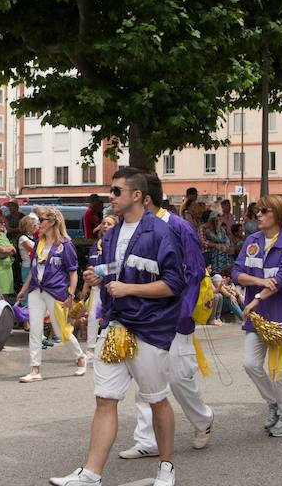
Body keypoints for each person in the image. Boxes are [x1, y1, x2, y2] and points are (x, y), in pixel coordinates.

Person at [51, 167, 184, 486]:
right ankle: (92, 473)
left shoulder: (161, 233)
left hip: (149, 329)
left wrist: (129, 289)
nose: (109, 197)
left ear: (136, 195)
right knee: (105, 399)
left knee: (156, 399)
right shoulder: (110, 235)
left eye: (116, 191)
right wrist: (100, 278)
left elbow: (174, 283)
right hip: (116, 327)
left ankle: (166, 466)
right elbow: (115, 272)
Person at [120, 173, 213, 461]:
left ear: (144, 198)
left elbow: (194, 271)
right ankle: (147, 439)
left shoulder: (178, 227)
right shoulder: (132, 229)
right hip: (143, 316)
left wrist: (183, 312)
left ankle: (203, 419)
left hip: (175, 315)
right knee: (146, 376)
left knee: (179, 375)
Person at [233, 195, 282, 437]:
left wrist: (257, 298)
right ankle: (274, 404)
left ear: (277, 214)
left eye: (264, 211)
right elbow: (237, 271)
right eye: (257, 210)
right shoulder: (253, 240)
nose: (258, 214)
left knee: (279, 370)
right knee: (250, 363)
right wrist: (258, 281)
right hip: (259, 317)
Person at [16, 207, 86, 382]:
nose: (40, 223)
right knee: (35, 330)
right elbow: (33, 270)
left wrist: (70, 294)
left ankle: (80, 357)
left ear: (53, 222)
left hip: (55, 292)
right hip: (35, 290)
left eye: (43, 220)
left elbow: (73, 272)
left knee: (61, 329)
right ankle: (35, 369)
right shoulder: (39, 242)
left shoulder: (65, 245)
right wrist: (24, 290)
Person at [82, 214, 118, 357]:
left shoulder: (118, 244)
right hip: (97, 287)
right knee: (93, 316)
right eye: (103, 223)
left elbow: (119, 265)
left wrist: (103, 275)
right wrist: (86, 286)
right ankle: (91, 348)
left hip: (114, 286)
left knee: (112, 317)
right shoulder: (95, 246)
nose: (105, 226)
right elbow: (90, 267)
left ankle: (109, 347)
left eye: (109, 224)